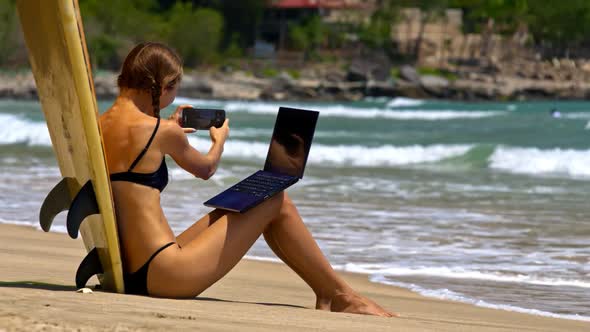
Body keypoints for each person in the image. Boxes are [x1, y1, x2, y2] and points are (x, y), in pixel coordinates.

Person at [99, 42, 395, 317]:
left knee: (247, 203)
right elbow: (205, 169)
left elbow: (138, 141)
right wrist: (219, 140)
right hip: (166, 274)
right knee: (275, 197)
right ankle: (339, 296)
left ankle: (332, 294)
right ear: (164, 86)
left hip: (131, 268)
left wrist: (169, 125)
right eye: (174, 88)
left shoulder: (101, 124)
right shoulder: (161, 132)